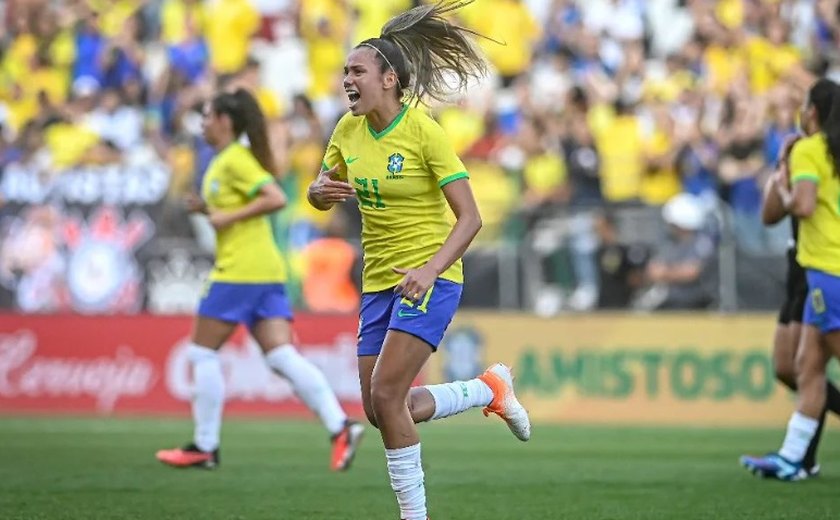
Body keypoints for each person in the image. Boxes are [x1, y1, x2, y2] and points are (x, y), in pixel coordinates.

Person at [306, 2, 531, 519]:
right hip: (379, 281)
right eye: (344, 72)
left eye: (356, 71)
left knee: (387, 395)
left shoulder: (423, 130)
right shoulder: (345, 131)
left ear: (389, 78)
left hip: (431, 275)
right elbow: (323, 195)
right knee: (381, 407)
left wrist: (430, 269)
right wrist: (318, 193)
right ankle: (486, 388)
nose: (347, 80)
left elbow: (470, 218)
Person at [156, 88, 364, 472]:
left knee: (202, 353)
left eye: (206, 116)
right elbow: (244, 203)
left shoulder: (234, 159)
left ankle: (205, 445)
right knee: (281, 356)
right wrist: (209, 208)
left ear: (224, 121)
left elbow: (274, 197)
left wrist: (222, 218)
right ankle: (340, 426)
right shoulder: (225, 161)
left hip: (240, 270)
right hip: (265, 270)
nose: (201, 123)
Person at [741, 78, 840, 480]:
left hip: (825, 266)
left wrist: (786, 184)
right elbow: (770, 216)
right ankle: (795, 458)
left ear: (813, 110)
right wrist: (784, 165)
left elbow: (799, 204)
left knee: (807, 365)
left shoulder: (813, 151)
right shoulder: (812, 150)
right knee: (802, 364)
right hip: (806, 266)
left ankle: (797, 458)